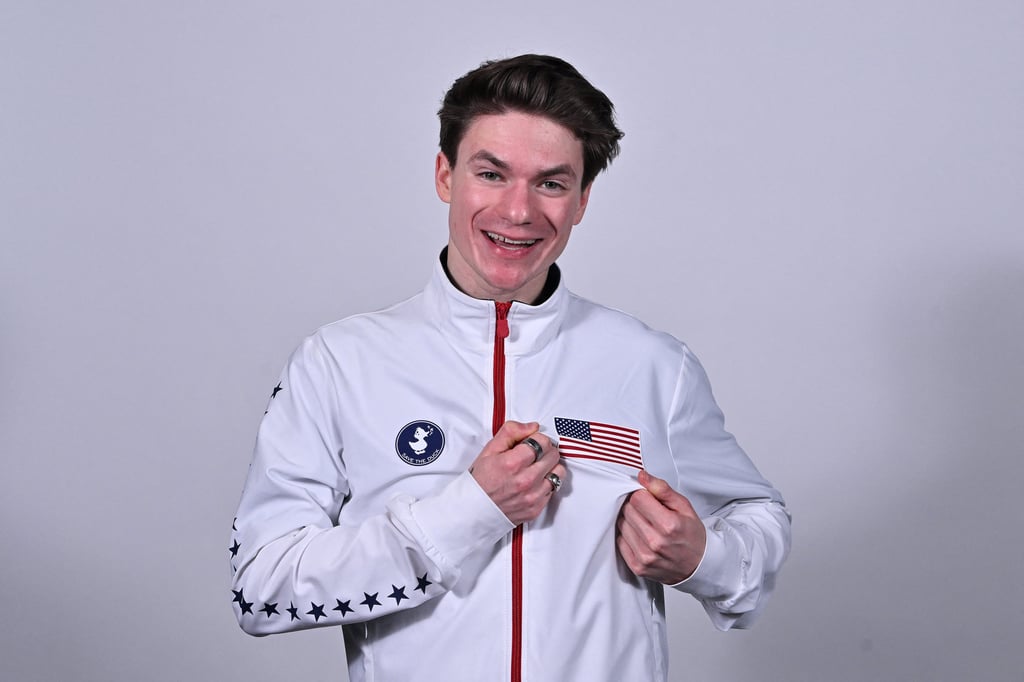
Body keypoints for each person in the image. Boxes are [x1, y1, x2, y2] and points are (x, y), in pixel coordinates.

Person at [229, 54, 791, 681]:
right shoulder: (339, 363)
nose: (519, 212)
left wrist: (702, 558)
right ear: (446, 175)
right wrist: (470, 510)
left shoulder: (653, 365)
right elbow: (263, 585)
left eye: (551, 183)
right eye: (492, 174)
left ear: (581, 200)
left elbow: (759, 518)